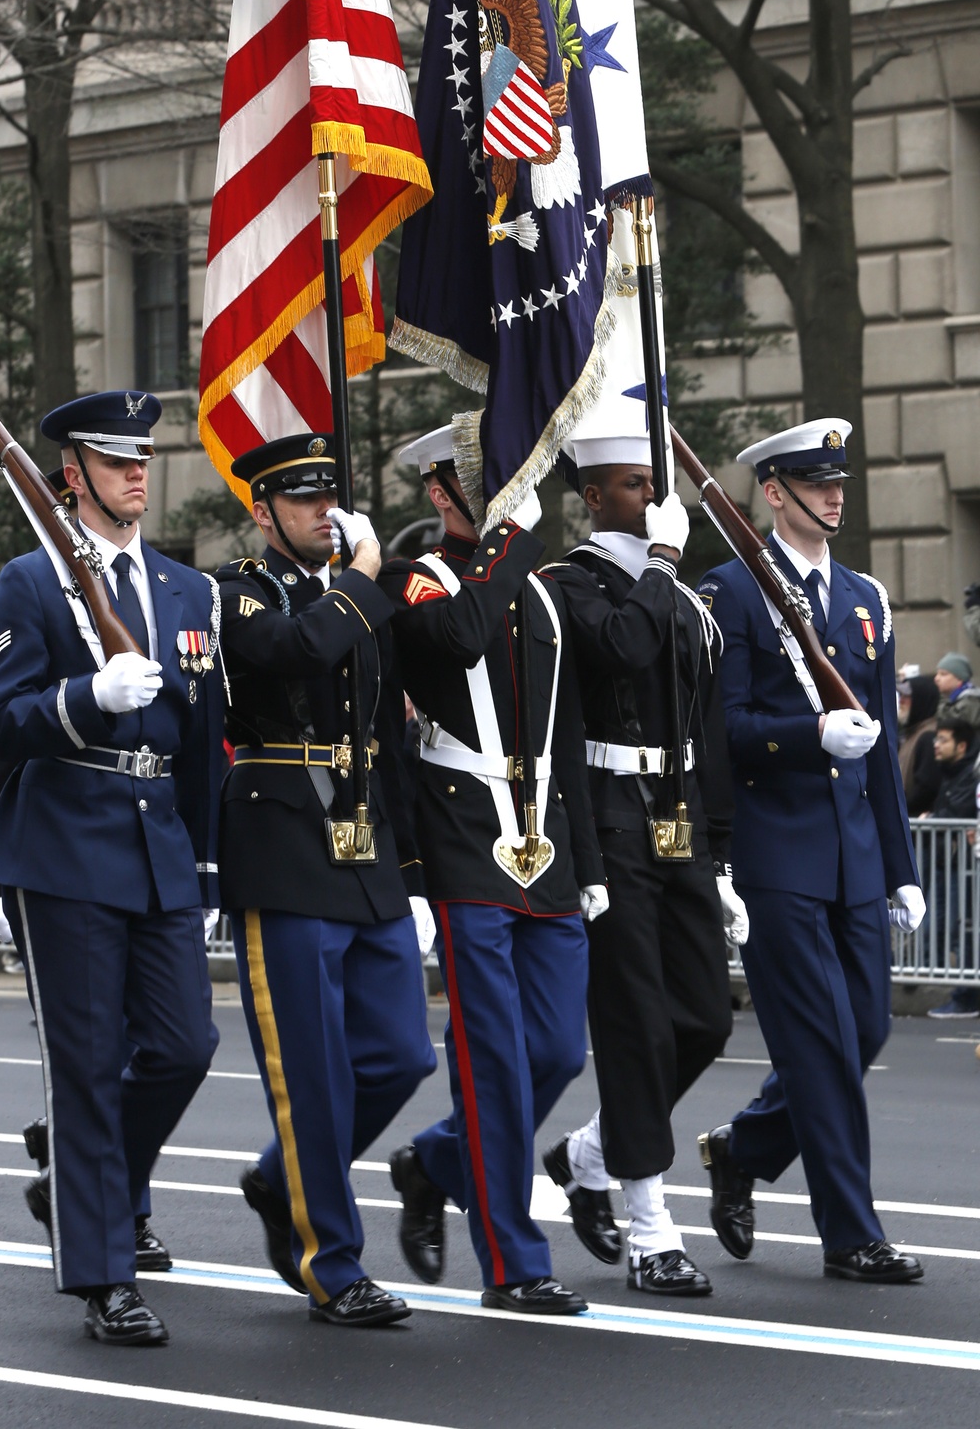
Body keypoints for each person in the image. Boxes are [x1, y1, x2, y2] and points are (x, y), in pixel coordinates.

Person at [0, 391, 226, 1346]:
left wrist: (204, 868)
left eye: (145, 458)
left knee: (183, 1046)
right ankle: (103, 1274)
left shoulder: (183, 591)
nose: (139, 472)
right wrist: (84, 697)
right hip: (65, 844)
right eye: (117, 460)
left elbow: (205, 743)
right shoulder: (28, 584)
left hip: (159, 845)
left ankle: (81, 1182)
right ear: (73, 474)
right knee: (84, 1068)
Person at [381, 427, 606, 1317]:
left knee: (555, 1048)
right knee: (493, 1064)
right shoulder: (418, 580)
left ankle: (438, 1160)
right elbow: (464, 635)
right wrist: (512, 542)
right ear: (443, 495)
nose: (508, 495)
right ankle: (513, 1262)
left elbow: (567, 735)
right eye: (487, 485)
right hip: (465, 841)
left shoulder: (541, 595)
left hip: (545, 848)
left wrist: (587, 861)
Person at [696, 418, 926, 1287]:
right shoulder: (729, 593)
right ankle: (851, 1233)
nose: (836, 494)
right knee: (826, 1043)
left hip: (856, 856)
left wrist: (901, 868)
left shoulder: (864, 598)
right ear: (773, 492)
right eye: (815, 482)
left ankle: (744, 1148)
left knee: (862, 1029)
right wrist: (808, 734)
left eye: (840, 481)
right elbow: (725, 730)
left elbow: (881, 748)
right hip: (776, 854)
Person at [216, 433, 436, 1330]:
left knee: (398, 1056)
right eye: (303, 500)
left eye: (330, 497)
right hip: (284, 840)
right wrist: (362, 582)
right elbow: (295, 652)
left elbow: (388, 734)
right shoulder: (236, 590)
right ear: (264, 513)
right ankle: (332, 1267)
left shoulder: (357, 595)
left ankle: (280, 1180)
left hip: (365, 845)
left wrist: (414, 874)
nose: (324, 512)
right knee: (311, 1075)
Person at [540, 432, 744, 1299]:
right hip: (610, 821)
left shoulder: (685, 596)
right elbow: (620, 647)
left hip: (679, 818)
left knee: (703, 1021)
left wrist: (722, 853)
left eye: (656, 484)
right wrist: (661, 557)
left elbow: (706, 722)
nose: (652, 497)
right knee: (636, 1026)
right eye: (632, 485)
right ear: (593, 496)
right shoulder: (568, 584)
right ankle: (651, 1228)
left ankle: (588, 1152)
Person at [922, 716, 980, 1020]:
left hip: (964, 863)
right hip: (949, 860)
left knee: (966, 927)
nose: (936, 745)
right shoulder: (950, 770)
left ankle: (967, 996)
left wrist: (934, 818)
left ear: (962, 745)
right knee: (949, 926)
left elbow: (958, 810)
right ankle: (963, 992)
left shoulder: (969, 772)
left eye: (942, 739)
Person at [897, 674, 940, 815]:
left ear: (921, 700)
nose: (901, 700)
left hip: (920, 825)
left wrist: (900, 809)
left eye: (907, 696)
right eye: (901, 694)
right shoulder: (911, 734)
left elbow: (926, 787)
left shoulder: (928, 736)